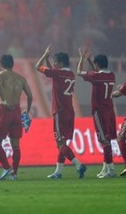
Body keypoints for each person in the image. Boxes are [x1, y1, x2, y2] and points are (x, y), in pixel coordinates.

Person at [35, 45, 87, 179]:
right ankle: (58, 172)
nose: (54, 63)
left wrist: (45, 55)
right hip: (70, 111)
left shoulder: (57, 73)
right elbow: (51, 70)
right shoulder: (70, 74)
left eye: (55, 61)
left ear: (61, 62)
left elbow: (37, 67)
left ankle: (78, 164)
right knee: (63, 144)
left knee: (60, 143)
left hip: (60, 111)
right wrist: (50, 64)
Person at [77, 49, 117, 178]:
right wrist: (90, 60)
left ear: (97, 64)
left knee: (104, 141)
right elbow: (97, 70)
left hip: (99, 111)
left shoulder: (96, 77)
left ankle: (111, 170)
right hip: (110, 110)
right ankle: (106, 168)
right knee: (107, 140)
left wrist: (82, 58)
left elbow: (79, 72)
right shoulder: (111, 75)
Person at [0, 55, 33, 181]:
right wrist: (27, 111)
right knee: (15, 145)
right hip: (17, 111)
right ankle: (14, 174)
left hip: (6, 109)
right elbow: (30, 96)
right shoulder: (20, 78)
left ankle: (6, 167)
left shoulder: (0, 75)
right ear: (12, 64)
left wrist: (3, 100)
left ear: (2, 64)